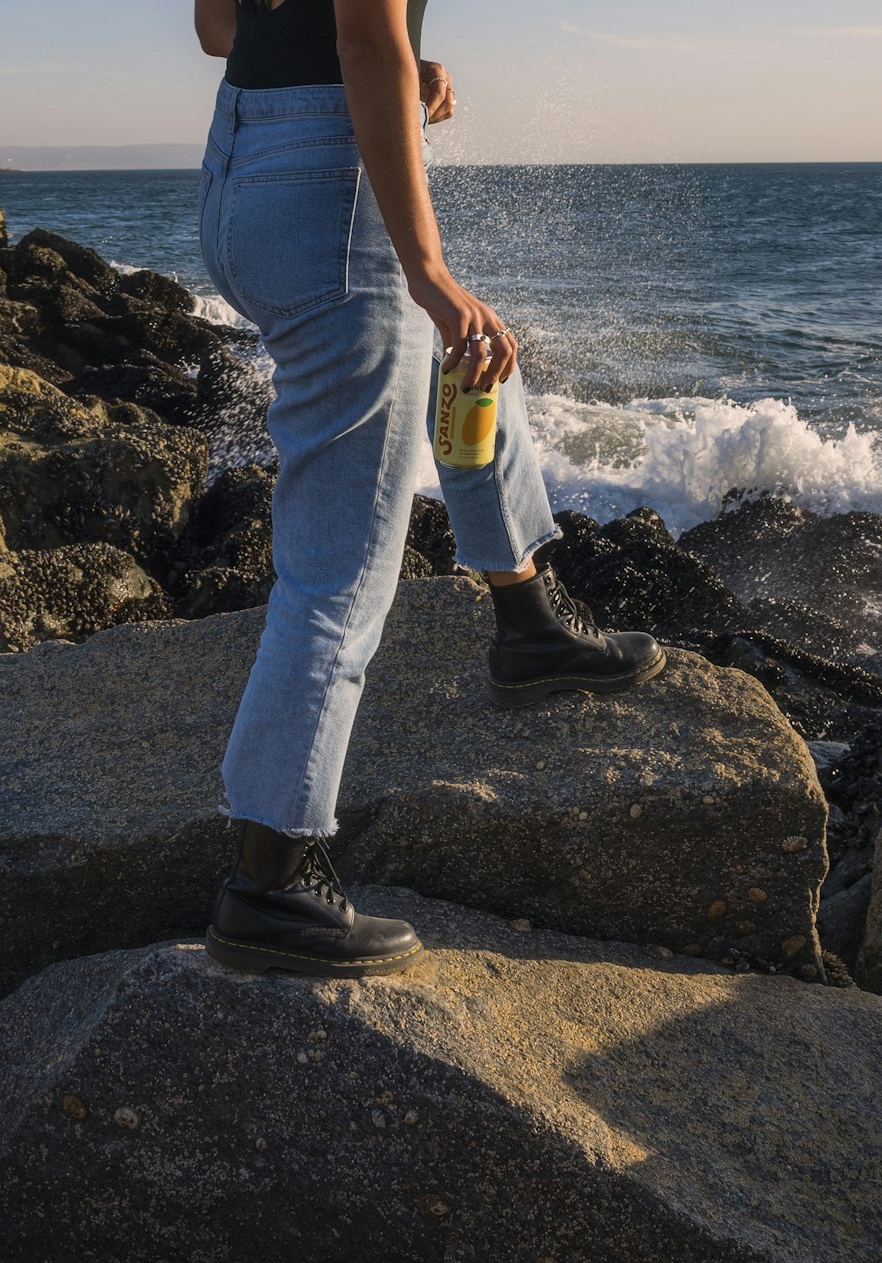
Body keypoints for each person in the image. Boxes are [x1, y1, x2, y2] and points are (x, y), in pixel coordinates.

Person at [194, 0, 666, 981]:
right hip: (327, 184)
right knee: (341, 566)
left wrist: (402, 72)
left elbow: (218, 27)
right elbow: (362, 31)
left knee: (472, 351)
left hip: (241, 174)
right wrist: (425, 266)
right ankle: (270, 880)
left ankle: (527, 616)